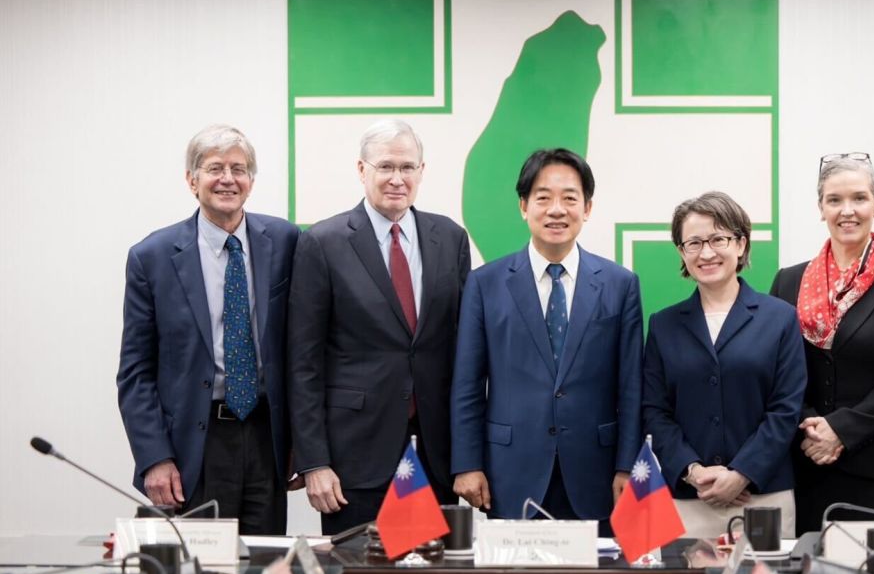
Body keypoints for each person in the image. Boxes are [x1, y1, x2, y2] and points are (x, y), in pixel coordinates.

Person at [287, 119, 471, 534]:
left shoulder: (451, 238)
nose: (397, 179)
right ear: (361, 169)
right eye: (385, 166)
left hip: (435, 457)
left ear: (422, 172)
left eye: (407, 167)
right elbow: (303, 363)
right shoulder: (323, 242)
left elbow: (464, 353)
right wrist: (314, 461)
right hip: (355, 459)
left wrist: (469, 456)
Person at [117, 124, 300, 534]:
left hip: (266, 438)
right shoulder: (153, 257)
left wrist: (302, 445)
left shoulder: (286, 241)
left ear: (251, 181)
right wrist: (154, 457)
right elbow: (136, 371)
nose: (228, 179)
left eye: (239, 168)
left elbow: (302, 351)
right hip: (192, 447)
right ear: (191, 179)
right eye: (215, 168)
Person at [451, 148, 642, 524]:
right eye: (543, 197)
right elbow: (468, 384)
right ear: (524, 206)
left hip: (597, 472)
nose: (557, 209)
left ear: (587, 208)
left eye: (570, 198)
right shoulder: (485, 283)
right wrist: (467, 464)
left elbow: (632, 386)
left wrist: (627, 467)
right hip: (509, 470)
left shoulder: (621, 285)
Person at [769, 153, 874, 534]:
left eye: (859, 198)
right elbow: (778, 369)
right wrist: (812, 429)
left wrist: (842, 430)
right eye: (835, 200)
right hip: (810, 462)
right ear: (820, 208)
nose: (848, 210)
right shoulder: (788, 282)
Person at [642, 192, 807, 539]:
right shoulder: (663, 324)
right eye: (694, 242)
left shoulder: (779, 318)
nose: (707, 252)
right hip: (689, 499)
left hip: (763, 496)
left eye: (718, 239)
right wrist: (692, 470)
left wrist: (742, 472)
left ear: (741, 244)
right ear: (681, 253)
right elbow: (655, 410)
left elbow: (786, 408)